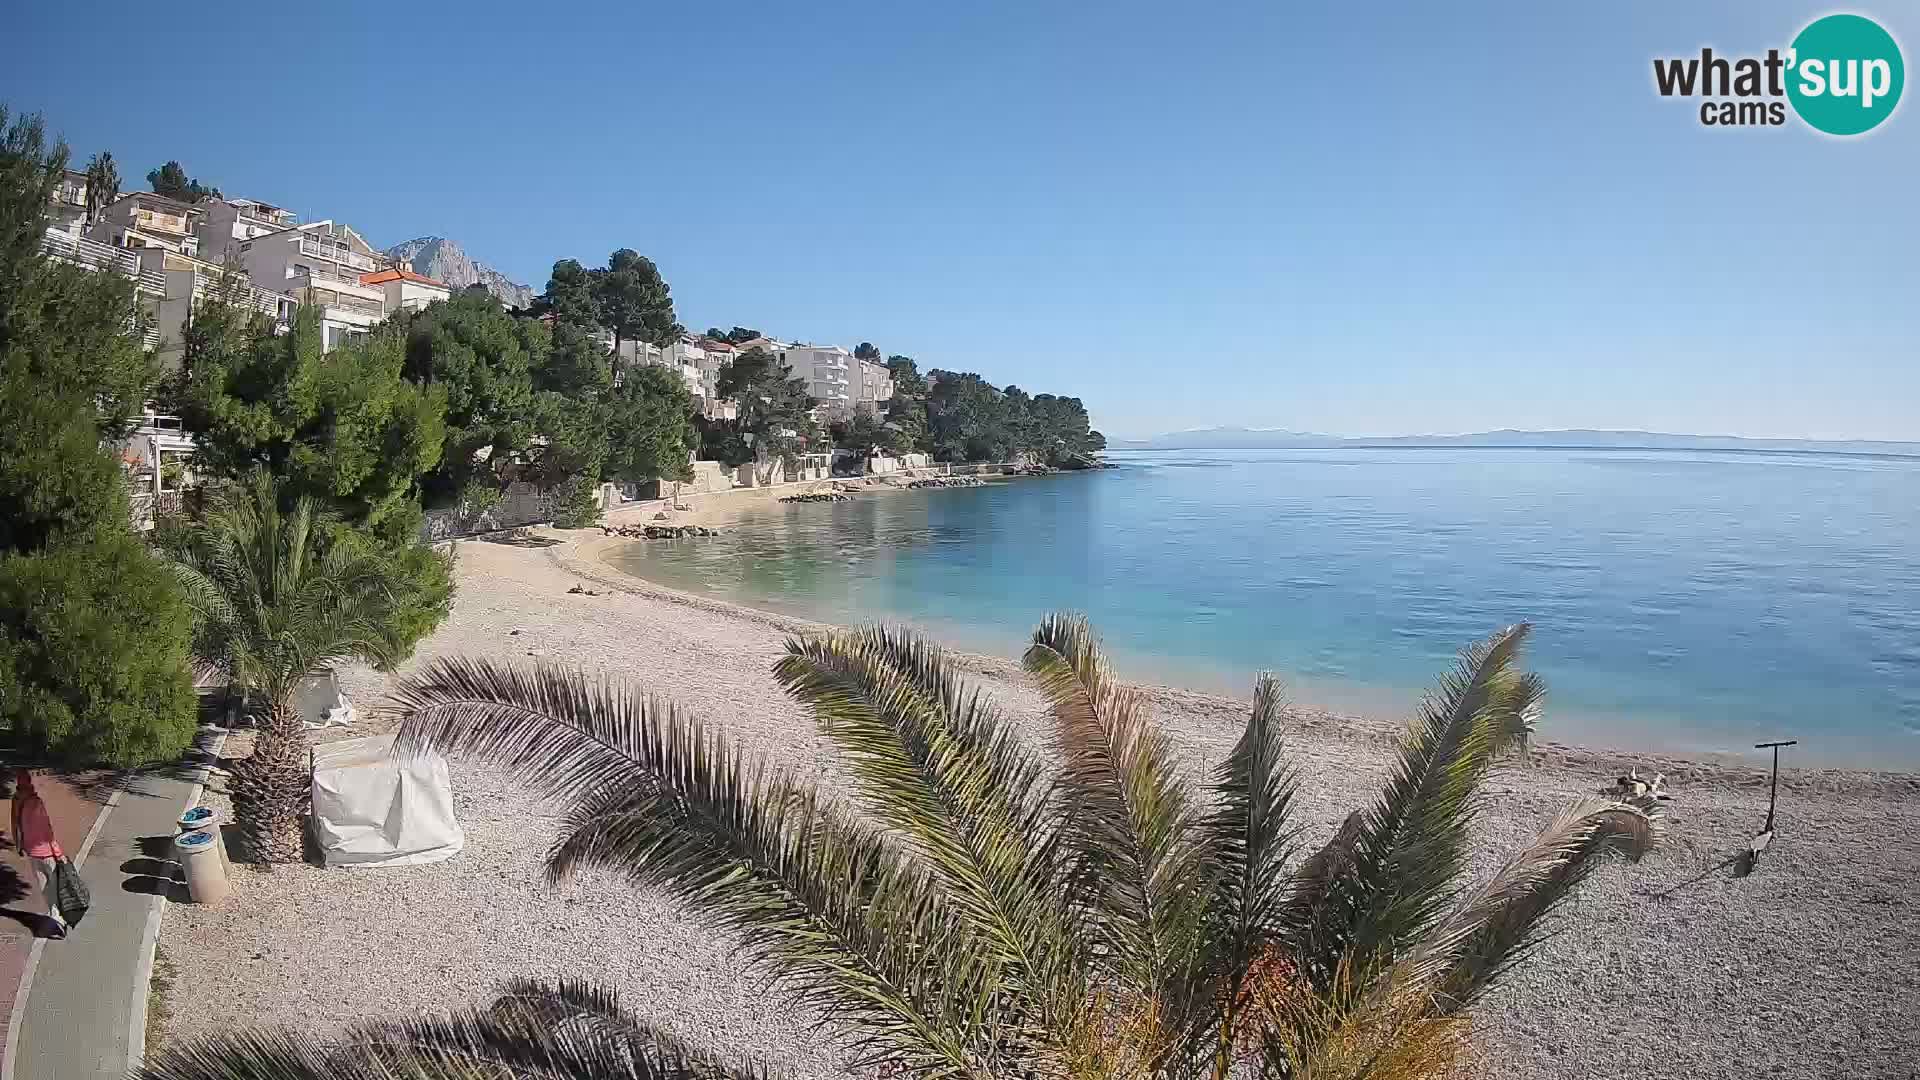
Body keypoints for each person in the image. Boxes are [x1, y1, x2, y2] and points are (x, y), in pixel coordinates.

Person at [10, 770, 66, 933]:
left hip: (32, 851)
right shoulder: (36, 801)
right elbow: (47, 829)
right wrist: (57, 852)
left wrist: (19, 846)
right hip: (47, 851)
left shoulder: (16, 801)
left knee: (44, 885)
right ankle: (60, 914)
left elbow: (15, 825)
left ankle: (55, 915)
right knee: (54, 883)